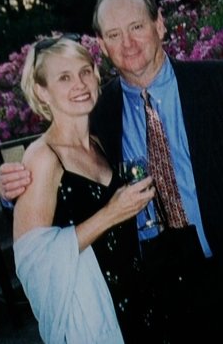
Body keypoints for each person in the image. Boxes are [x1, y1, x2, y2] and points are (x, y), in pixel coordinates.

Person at [1, 0, 223, 343]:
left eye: (136, 27)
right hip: (157, 298)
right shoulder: (99, 112)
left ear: (159, 24)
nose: (129, 43)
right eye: (115, 35)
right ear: (103, 46)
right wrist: (14, 189)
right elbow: (63, 179)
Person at [11, 34, 164, 344]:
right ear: (43, 91)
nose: (79, 83)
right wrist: (111, 214)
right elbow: (32, 263)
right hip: (96, 318)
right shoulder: (43, 157)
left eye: (84, 71)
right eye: (64, 77)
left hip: (139, 303)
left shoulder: (98, 143)